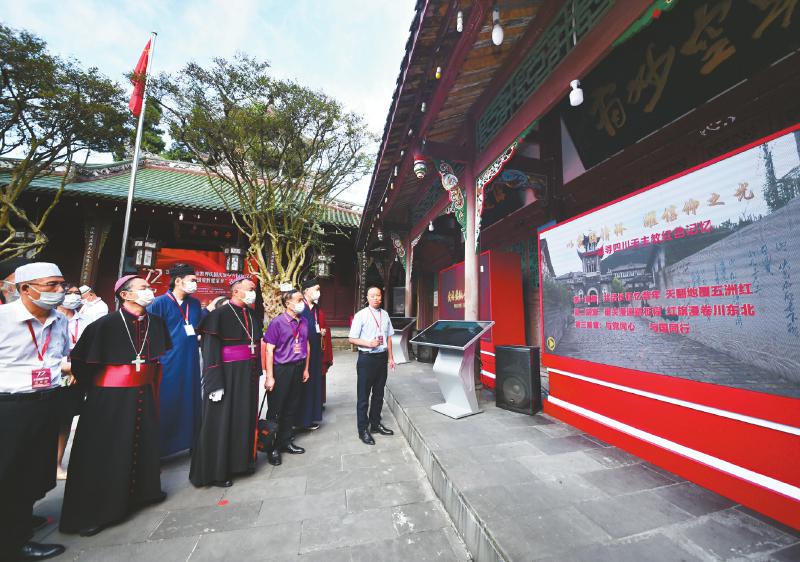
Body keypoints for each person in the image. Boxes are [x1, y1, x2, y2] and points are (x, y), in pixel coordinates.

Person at [60, 275, 171, 536]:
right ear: (125, 294)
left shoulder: (156, 323)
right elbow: (82, 365)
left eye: (149, 287)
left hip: (144, 392)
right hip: (109, 399)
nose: (150, 291)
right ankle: (97, 511)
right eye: (143, 288)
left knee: (142, 442)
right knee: (105, 450)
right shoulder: (104, 325)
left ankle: (143, 493)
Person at [0, 262, 69, 561]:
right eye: (51, 284)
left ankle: (21, 518)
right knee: (9, 473)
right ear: (25, 289)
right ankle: (12, 544)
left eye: (61, 284)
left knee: (33, 470)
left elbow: (58, 356)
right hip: (11, 406)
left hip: (47, 401)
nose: (60, 290)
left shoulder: (59, 320)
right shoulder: (4, 319)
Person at [190, 276, 262, 487]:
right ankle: (216, 472)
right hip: (226, 376)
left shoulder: (250, 314)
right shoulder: (218, 316)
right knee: (221, 422)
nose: (253, 293)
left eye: (254, 289)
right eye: (250, 289)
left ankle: (241, 464)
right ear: (236, 291)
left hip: (246, 375)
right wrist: (214, 384)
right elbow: (210, 351)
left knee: (243, 418)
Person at [147, 263, 202, 457]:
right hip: (167, 362)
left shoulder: (195, 304)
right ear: (178, 281)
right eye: (192, 280)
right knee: (166, 402)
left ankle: (192, 442)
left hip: (191, 361)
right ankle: (159, 450)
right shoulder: (159, 304)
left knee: (191, 401)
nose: (196, 284)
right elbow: (149, 335)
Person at [263, 285, 310, 466]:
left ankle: (286, 441)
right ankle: (273, 448)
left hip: (298, 367)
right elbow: (269, 349)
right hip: (281, 369)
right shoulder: (277, 322)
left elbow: (306, 345)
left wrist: (306, 368)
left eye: (302, 300)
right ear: (288, 303)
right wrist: (270, 376)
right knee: (276, 409)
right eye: (299, 300)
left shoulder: (303, 322)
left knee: (291, 407)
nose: (302, 303)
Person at [348, 287, 396, 445]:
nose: (376, 298)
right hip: (366, 359)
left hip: (381, 358)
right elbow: (352, 338)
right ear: (367, 298)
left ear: (381, 297)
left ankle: (375, 424)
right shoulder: (361, 315)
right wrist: (368, 343)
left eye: (378, 295)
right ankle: (363, 429)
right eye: (373, 295)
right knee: (363, 396)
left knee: (378, 394)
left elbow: (389, 337)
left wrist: (391, 357)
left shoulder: (385, 314)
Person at [55, 284, 85, 480]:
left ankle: (57, 464)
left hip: (74, 378)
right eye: (69, 293)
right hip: (49, 376)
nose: (73, 296)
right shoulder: (52, 318)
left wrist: (79, 368)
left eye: (77, 293)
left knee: (65, 421)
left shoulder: (86, 321)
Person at [295, 278, 324, 431]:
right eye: (316, 289)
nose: (318, 292)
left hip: (315, 351)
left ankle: (311, 416)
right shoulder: (300, 307)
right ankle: (300, 420)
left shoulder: (316, 308)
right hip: (302, 351)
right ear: (306, 291)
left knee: (314, 383)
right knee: (303, 383)